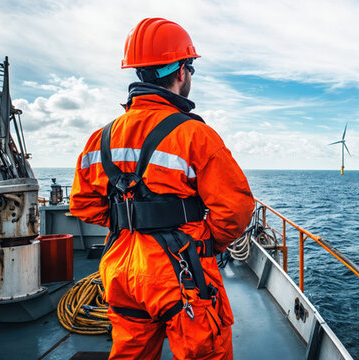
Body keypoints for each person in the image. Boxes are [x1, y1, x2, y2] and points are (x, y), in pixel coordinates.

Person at [70, 17, 254, 359]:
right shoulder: (195, 135)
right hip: (180, 268)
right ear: (181, 71)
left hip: (121, 268)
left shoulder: (101, 138)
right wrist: (204, 242)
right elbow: (236, 209)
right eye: (190, 69)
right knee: (204, 351)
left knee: (130, 352)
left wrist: (130, 225)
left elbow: (83, 205)